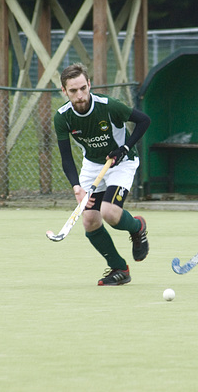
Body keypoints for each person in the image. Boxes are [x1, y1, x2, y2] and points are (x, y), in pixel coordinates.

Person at [54, 62, 151, 285]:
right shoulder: (62, 117)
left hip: (122, 162)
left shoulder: (108, 106)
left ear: (89, 84)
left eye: (83, 88)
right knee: (89, 220)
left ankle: (137, 228)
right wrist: (76, 187)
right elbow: (66, 158)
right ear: (64, 91)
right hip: (92, 165)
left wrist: (124, 148)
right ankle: (119, 268)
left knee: (109, 213)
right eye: (73, 91)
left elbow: (144, 121)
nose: (80, 95)